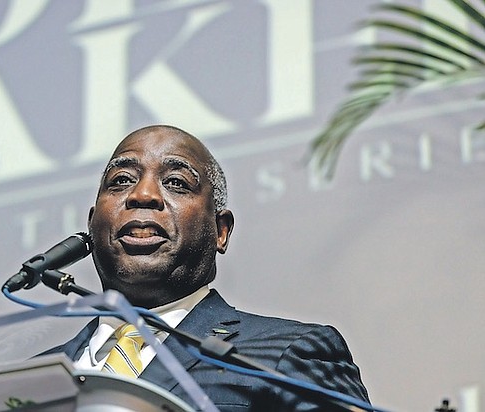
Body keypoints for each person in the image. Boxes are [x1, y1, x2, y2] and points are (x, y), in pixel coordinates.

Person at [41, 125, 369, 411]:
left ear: (220, 230)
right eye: (122, 180)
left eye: (177, 183)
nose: (143, 194)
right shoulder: (32, 378)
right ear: (91, 225)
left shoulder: (283, 352)